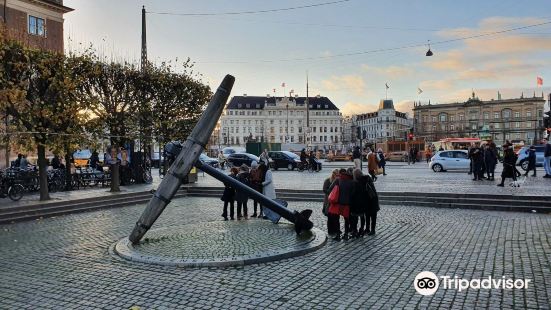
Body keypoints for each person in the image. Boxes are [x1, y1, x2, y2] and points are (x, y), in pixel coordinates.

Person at [327, 168, 354, 241]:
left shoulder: (338, 179)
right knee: (347, 220)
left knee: (336, 219)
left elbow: (330, 189)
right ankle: (346, 235)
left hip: (338, 203)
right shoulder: (352, 181)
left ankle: (338, 235)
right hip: (348, 204)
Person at [350, 169, 368, 237]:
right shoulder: (365, 181)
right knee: (362, 216)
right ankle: (362, 229)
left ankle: (355, 230)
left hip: (355, 203)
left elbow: (352, 194)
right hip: (363, 202)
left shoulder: (354, 183)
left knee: (355, 217)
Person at [323, 169, 340, 236]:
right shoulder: (327, 180)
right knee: (330, 216)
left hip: (336, 201)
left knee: (336, 216)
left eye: (337, 174)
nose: (336, 175)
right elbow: (324, 189)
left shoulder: (338, 181)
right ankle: (330, 230)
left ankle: (336, 229)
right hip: (328, 200)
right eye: (336, 174)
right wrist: (332, 193)